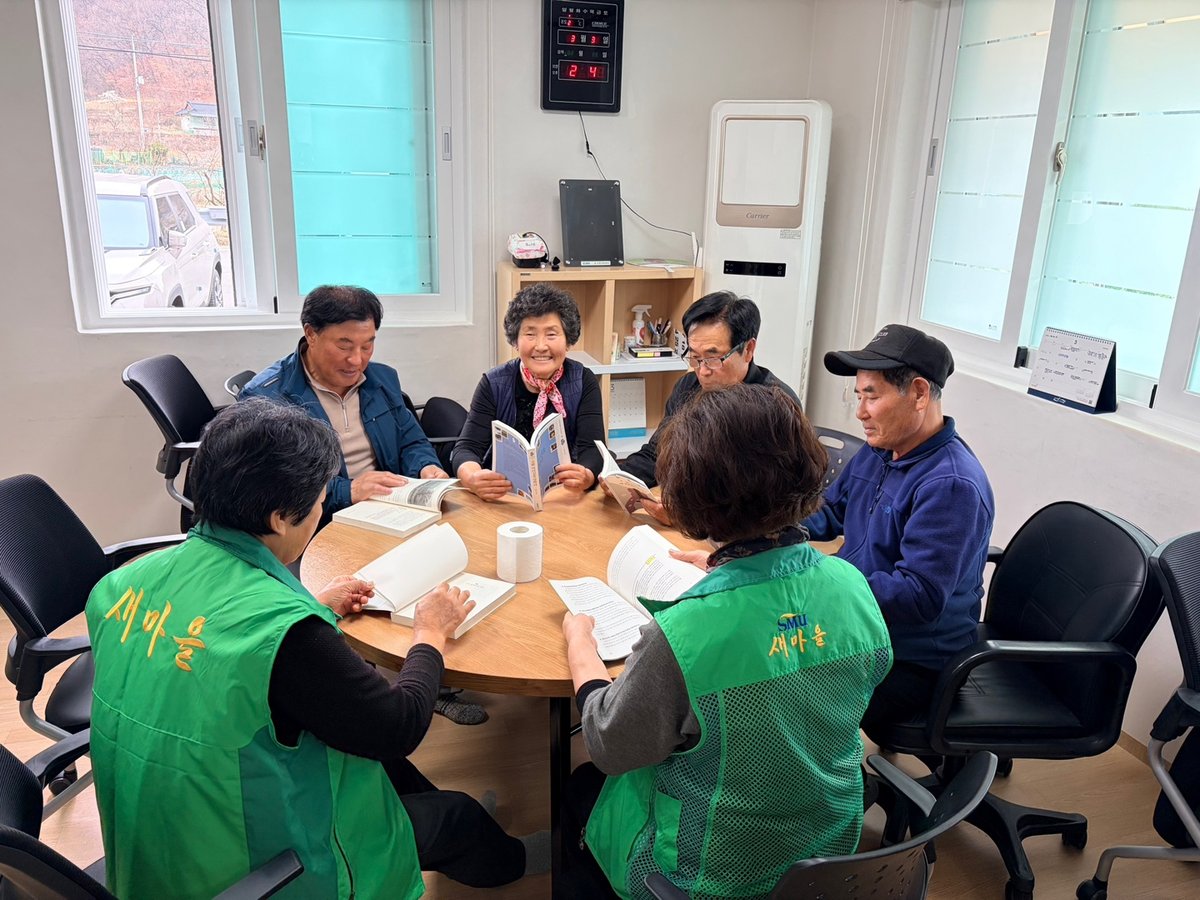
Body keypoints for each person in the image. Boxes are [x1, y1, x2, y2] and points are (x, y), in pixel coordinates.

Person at [85, 400, 548, 899]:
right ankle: (512, 863)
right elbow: (400, 726)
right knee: (455, 815)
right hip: (250, 862)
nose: (320, 511)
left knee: (375, 757)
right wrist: (430, 633)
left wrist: (313, 605)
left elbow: (216, 642)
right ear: (280, 518)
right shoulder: (290, 638)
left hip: (158, 837)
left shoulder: (122, 585)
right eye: (319, 502)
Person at [560, 384, 892, 899]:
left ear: (692, 498)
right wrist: (734, 573)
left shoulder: (685, 633)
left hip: (710, 875)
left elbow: (608, 743)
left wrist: (579, 643)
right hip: (826, 855)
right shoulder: (851, 585)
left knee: (582, 787)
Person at [800, 323, 994, 741]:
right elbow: (830, 511)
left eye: (872, 396)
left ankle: (831, 781)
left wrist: (818, 582)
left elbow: (917, 597)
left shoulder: (950, 485)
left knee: (781, 689)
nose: (860, 412)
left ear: (919, 394)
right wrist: (764, 531)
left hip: (915, 660)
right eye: (859, 395)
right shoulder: (881, 450)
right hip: (860, 625)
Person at [241, 284, 448, 521]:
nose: (357, 360)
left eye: (367, 346)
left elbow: (411, 440)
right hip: (315, 523)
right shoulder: (268, 398)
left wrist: (425, 466)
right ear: (311, 334)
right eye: (344, 346)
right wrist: (348, 490)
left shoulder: (382, 380)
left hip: (389, 510)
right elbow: (274, 484)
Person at [616, 291, 799, 522]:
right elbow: (657, 453)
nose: (702, 371)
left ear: (748, 350)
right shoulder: (688, 387)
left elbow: (774, 500)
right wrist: (622, 479)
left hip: (745, 530)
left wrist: (690, 517)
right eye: (695, 358)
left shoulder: (776, 405)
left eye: (713, 358)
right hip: (689, 519)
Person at [452, 282, 604, 498]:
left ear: (568, 341)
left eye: (551, 335)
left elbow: (593, 449)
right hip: (503, 494)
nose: (540, 346)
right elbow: (466, 448)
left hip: (565, 494)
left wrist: (586, 475)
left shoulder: (583, 380)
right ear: (515, 341)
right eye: (530, 334)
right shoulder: (493, 383)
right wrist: (472, 477)